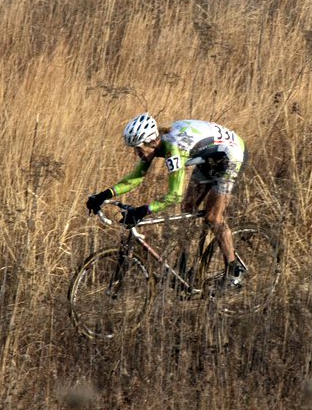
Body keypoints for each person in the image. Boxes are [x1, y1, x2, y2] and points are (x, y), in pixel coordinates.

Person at [86, 113, 249, 286]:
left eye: (139, 149)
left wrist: (143, 211)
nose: (137, 153)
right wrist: (104, 195)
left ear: (152, 142)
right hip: (210, 157)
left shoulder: (173, 149)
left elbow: (174, 195)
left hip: (231, 156)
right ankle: (188, 266)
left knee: (213, 217)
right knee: (188, 208)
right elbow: (135, 178)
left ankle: (234, 269)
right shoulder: (155, 146)